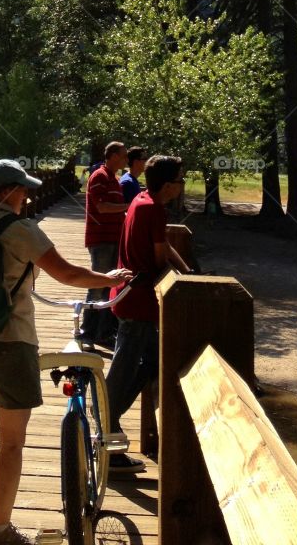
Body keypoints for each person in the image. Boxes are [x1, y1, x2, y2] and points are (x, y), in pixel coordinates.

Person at [0, 158, 132, 545]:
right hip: (10, 343)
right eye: (22, 189)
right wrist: (108, 278)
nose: (26, 196)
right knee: (11, 443)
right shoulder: (22, 230)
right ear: (8, 192)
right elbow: (68, 274)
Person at [104, 154, 190, 474]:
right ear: (168, 185)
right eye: (180, 180)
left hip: (129, 298)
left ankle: (109, 418)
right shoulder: (152, 209)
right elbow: (157, 260)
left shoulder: (142, 199)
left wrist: (187, 271)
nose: (182, 185)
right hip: (138, 303)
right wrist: (180, 281)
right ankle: (108, 433)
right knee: (123, 371)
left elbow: (163, 246)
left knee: (152, 363)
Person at [81, 141, 129, 346]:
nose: (126, 159)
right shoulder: (99, 176)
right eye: (124, 155)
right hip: (101, 239)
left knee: (109, 285)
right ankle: (87, 332)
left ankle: (103, 333)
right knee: (97, 285)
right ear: (114, 156)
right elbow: (101, 207)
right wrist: (129, 206)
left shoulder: (113, 179)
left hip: (112, 239)